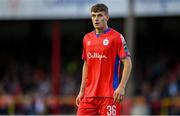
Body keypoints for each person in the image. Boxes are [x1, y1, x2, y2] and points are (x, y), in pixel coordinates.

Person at [76, 3, 132, 115]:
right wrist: (82, 91)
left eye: (100, 15)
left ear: (107, 17)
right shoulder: (87, 38)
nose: (96, 19)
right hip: (89, 96)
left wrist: (121, 87)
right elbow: (86, 64)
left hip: (109, 95)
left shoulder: (116, 37)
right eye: (93, 16)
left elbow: (128, 63)